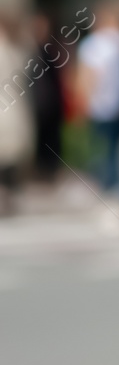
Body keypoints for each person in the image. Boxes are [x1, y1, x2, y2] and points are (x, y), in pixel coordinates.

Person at [77, 0, 119, 195]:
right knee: (118, 150)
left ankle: (107, 187)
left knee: (103, 150)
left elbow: (88, 76)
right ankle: (116, 186)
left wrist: (85, 100)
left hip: (101, 105)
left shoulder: (94, 44)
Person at [0, 17, 32, 216]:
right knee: (9, 156)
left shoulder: (8, 49)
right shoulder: (17, 48)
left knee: (6, 155)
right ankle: (7, 196)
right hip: (14, 108)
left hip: (7, 109)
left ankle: (5, 196)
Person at [28, 13, 65, 184]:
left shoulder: (50, 50)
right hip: (38, 105)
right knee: (41, 140)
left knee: (52, 139)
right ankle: (42, 171)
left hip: (51, 104)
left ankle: (50, 170)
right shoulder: (31, 51)